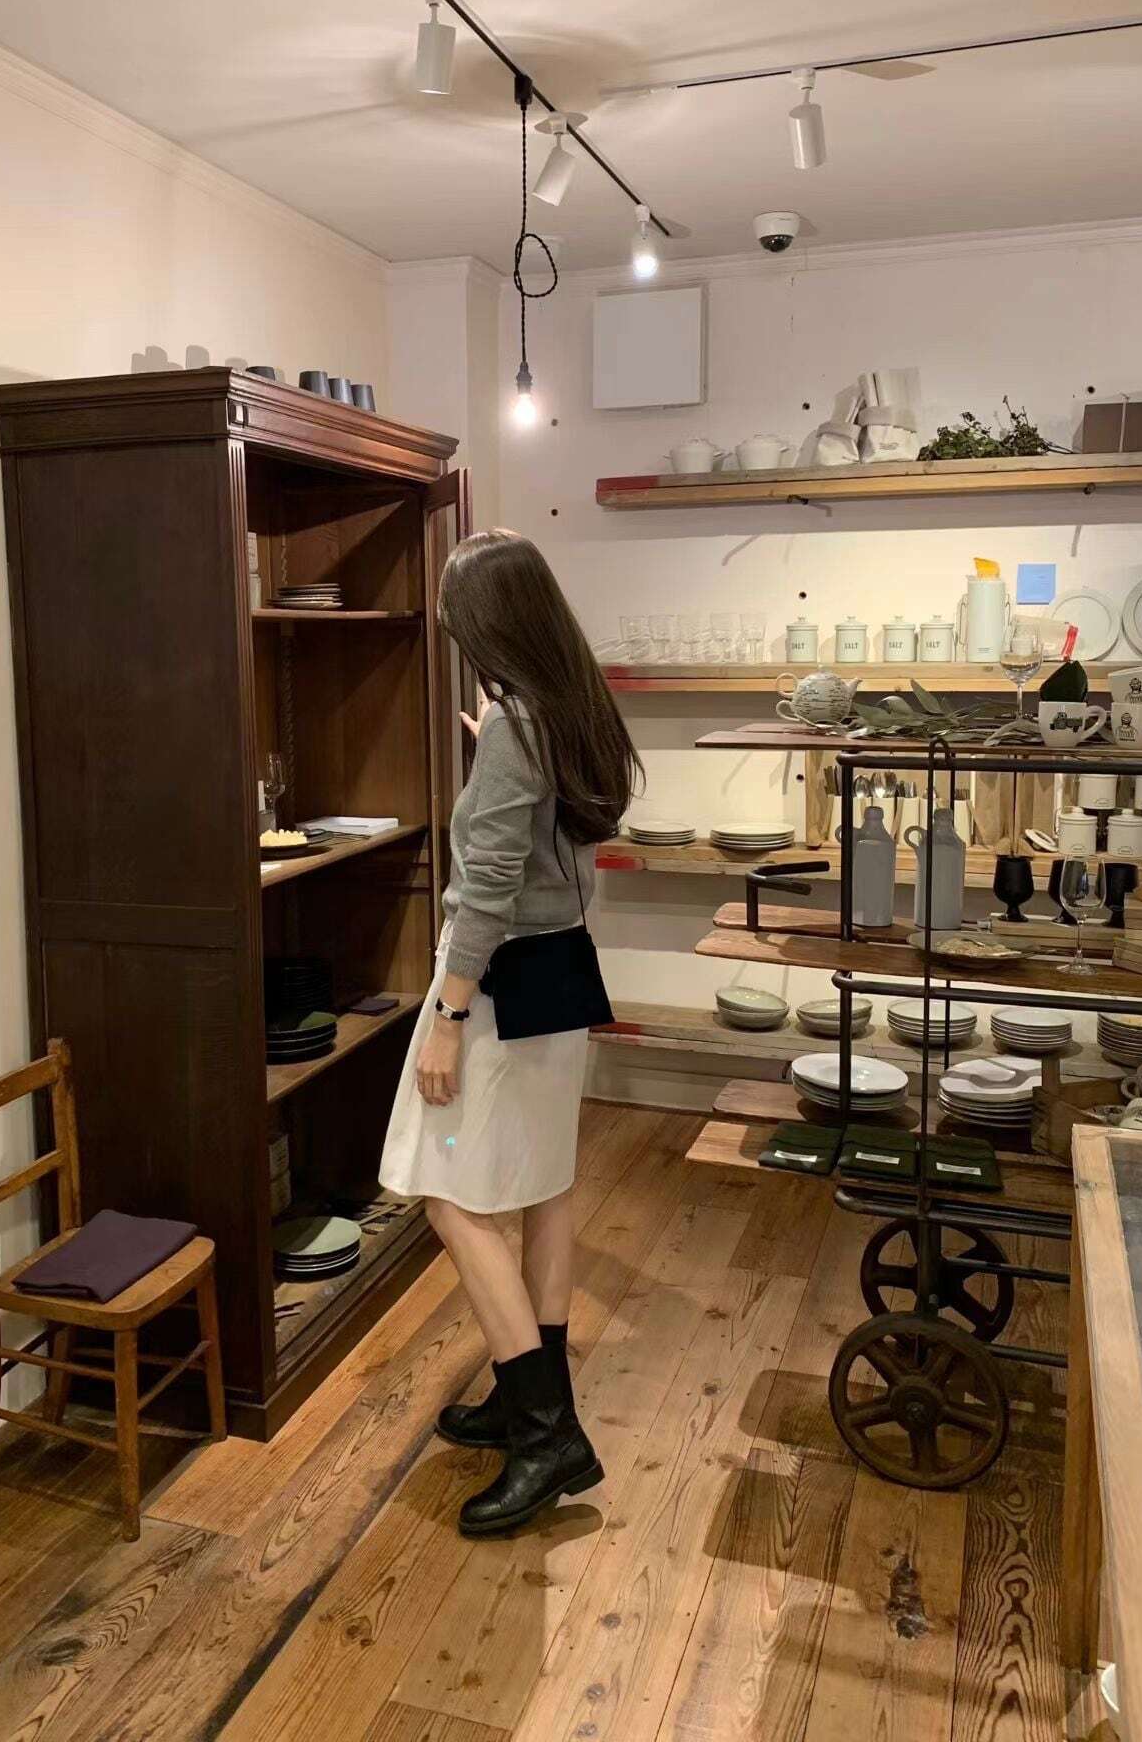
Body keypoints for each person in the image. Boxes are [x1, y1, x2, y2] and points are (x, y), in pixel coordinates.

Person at [379, 529, 641, 1536]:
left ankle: (545, 1434)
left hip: (493, 986)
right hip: (560, 973)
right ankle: (532, 1398)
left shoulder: (514, 727)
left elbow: (485, 886)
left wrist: (447, 1019)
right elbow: (551, 843)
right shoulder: (569, 707)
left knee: (445, 1192)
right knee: (542, 1187)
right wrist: (497, 742)